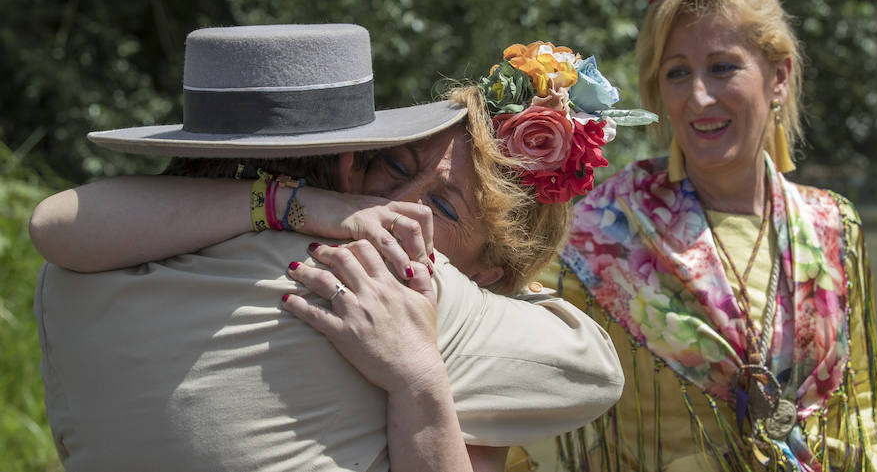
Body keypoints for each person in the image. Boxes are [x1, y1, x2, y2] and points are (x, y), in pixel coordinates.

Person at [30, 24, 626, 471]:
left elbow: (54, 223)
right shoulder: (384, 282)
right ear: (349, 157)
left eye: (443, 207)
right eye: (391, 163)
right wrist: (422, 374)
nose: (400, 205)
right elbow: (594, 368)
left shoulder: (78, 272)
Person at [519, 0, 877, 472]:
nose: (698, 98)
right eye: (677, 73)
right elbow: (512, 380)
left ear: (779, 77)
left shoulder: (834, 228)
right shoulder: (596, 235)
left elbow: (866, 401)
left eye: (723, 67)